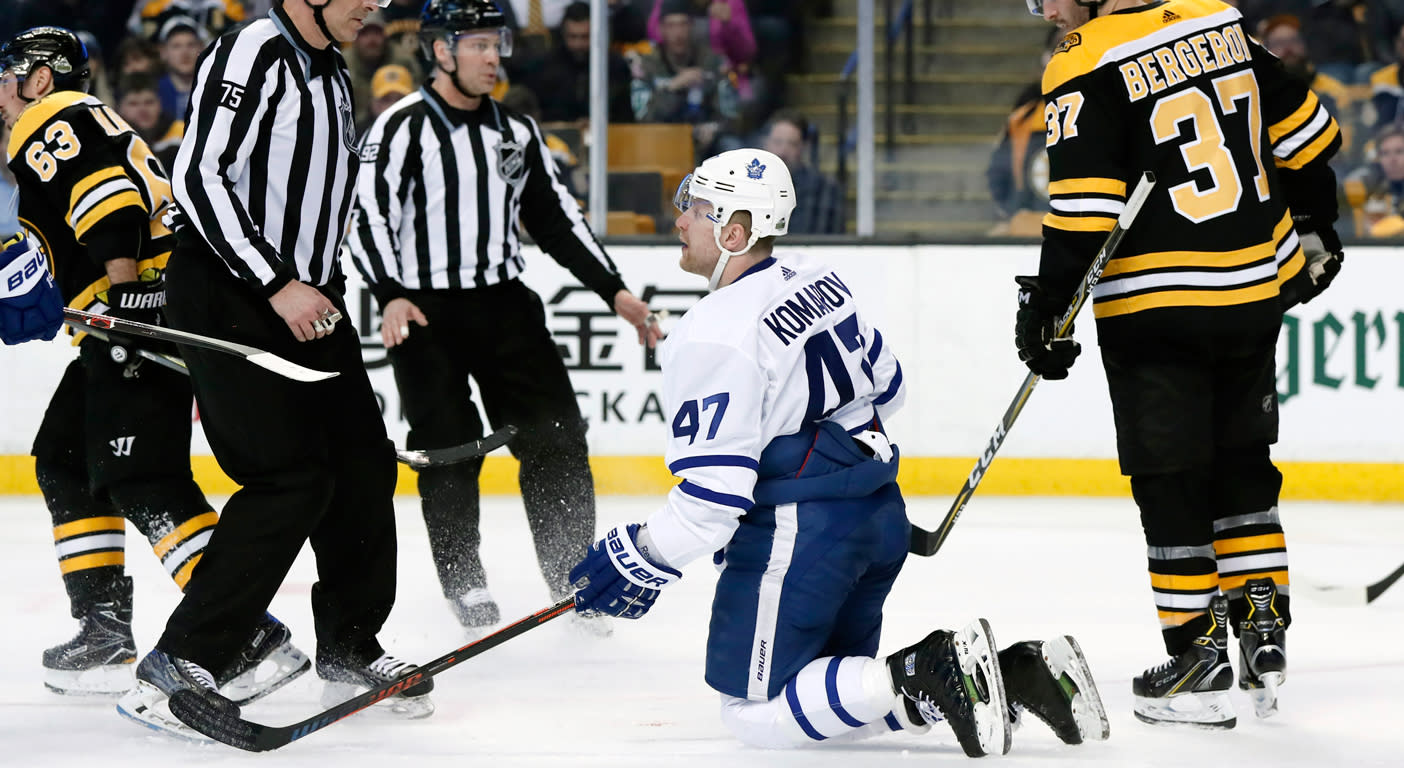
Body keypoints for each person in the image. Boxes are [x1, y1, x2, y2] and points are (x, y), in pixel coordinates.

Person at [568, 148, 1111, 755]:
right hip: (877, 516)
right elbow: (892, 388)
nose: (680, 221)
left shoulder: (711, 331)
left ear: (733, 230)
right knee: (828, 696)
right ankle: (1017, 675)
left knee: (754, 711)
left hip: (801, 534)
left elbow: (712, 503)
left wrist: (637, 556)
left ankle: (929, 667)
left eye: (694, 208)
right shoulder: (819, 282)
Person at [1017, 0, 1345, 728]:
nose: (1045, 9)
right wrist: (1318, 223)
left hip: (1157, 311)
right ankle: (1262, 633)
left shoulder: (1082, 61)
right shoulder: (1217, 18)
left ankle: (1197, 661)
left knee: (1171, 482)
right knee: (1242, 467)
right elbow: (1310, 138)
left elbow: (1083, 216)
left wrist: (1045, 310)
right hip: (1254, 290)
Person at [122, 0, 434, 739]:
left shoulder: (329, 67)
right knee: (288, 475)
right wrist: (274, 281)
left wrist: (331, 285)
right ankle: (182, 659)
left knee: (361, 464)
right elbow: (197, 175)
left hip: (308, 299)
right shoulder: (255, 49)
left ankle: (352, 644)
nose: (378, 7)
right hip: (233, 293)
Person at [0, 25, 305, 702]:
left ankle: (244, 632)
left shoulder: (47, 117)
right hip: (134, 310)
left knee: (142, 473)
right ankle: (103, 626)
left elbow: (108, 199)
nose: (0, 90)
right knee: (65, 457)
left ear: (40, 78)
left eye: (7, 75)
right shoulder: (68, 121)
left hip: (142, 310)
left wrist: (126, 289)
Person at [347, 0, 661, 638]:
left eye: (498, 45)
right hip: (423, 314)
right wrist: (389, 293)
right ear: (441, 51)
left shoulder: (515, 131)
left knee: (557, 438)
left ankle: (575, 577)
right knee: (450, 452)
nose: (494, 59)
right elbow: (366, 215)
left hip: (503, 305)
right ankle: (465, 581)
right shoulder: (400, 128)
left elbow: (555, 219)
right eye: (479, 45)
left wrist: (615, 292)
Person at [760, 110, 843, 234]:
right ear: (765, 143)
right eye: (777, 142)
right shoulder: (749, 185)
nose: (783, 151)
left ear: (803, 147)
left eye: (792, 144)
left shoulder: (823, 189)